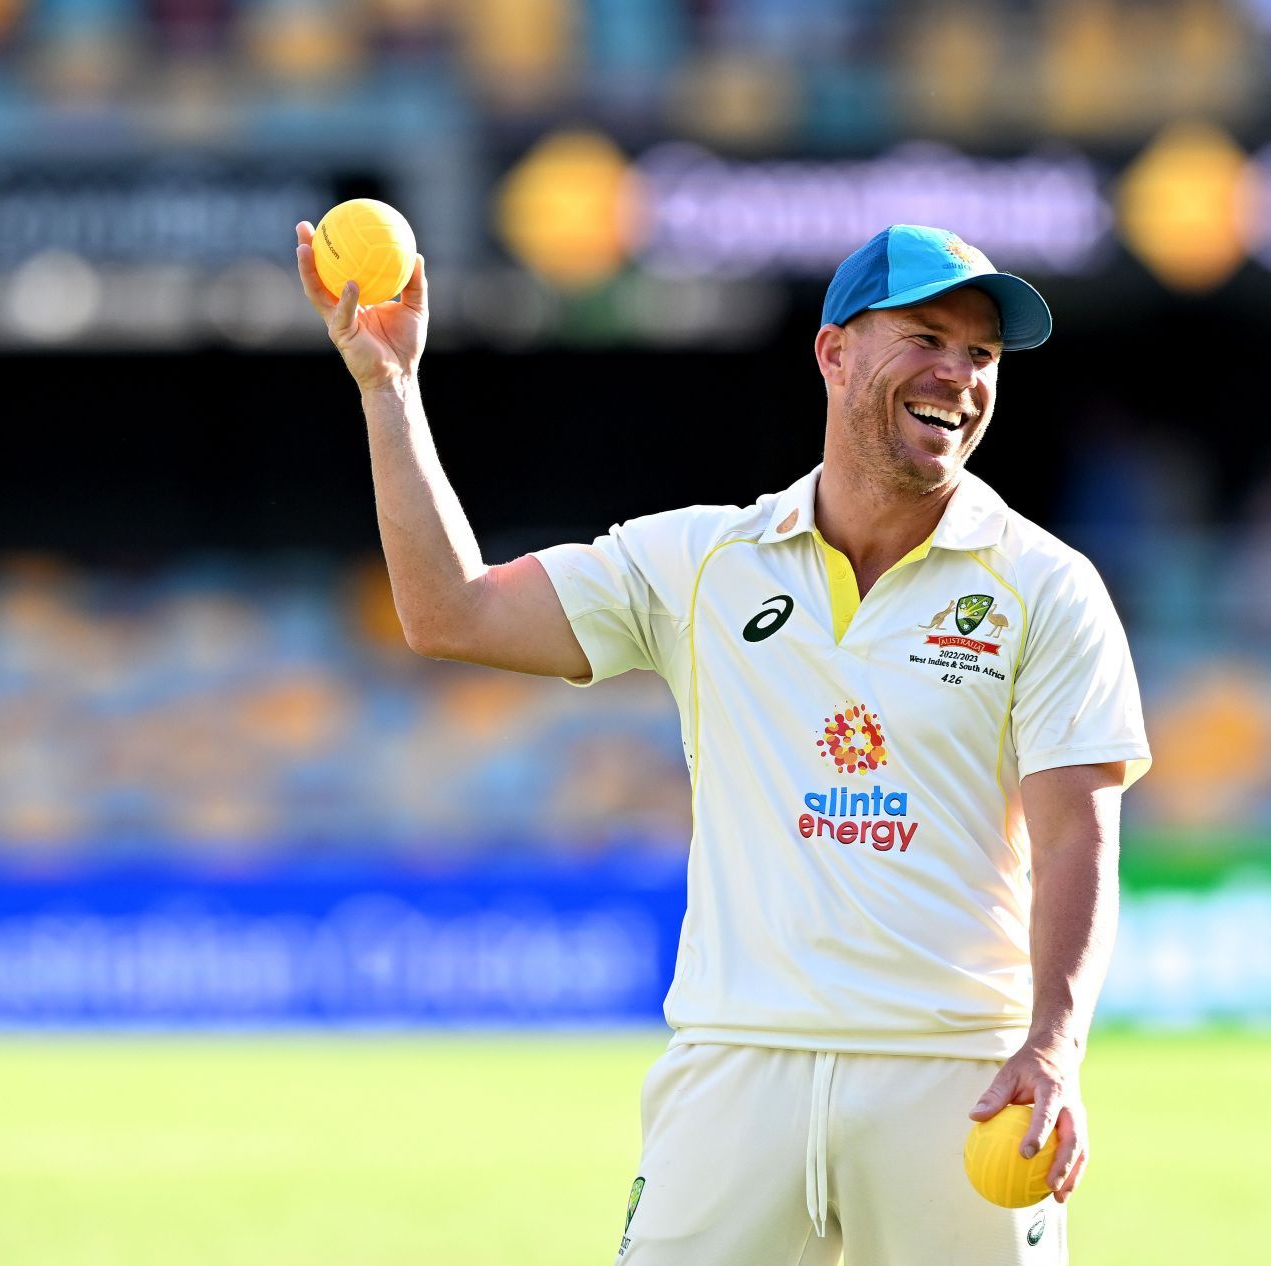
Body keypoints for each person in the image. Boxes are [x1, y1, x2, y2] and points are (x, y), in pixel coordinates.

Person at [294, 221, 1152, 1265]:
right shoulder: (703, 560)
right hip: (738, 1068)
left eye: (981, 356)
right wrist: (389, 390)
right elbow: (449, 614)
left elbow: (1078, 841)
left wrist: (1054, 1049)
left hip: (958, 1075)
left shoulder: (1047, 586)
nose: (959, 376)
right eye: (927, 338)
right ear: (835, 352)